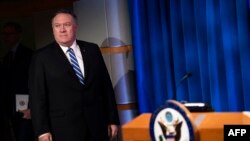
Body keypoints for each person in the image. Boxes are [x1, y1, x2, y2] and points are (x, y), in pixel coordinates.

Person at [28, 9, 120, 141]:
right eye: (57, 26)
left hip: (97, 126)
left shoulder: (92, 50)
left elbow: (105, 87)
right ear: (53, 29)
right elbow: (37, 97)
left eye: (67, 25)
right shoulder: (41, 57)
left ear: (75, 27)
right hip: (63, 129)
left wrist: (112, 119)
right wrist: (42, 130)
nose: (62, 30)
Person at [1, 22, 34, 141]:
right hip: (10, 108)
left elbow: (33, 83)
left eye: (9, 33)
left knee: (25, 136)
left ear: (18, 34)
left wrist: (31, 107)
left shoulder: (29, 55)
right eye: (4, 34)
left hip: (26, 107)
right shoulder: (6, 58)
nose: (6, 37)